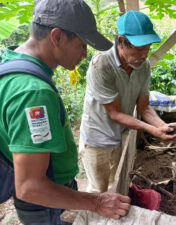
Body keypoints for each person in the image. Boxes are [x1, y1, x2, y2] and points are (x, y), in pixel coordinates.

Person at [0, 0, 131, 224]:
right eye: (82, 45)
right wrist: (97, 202)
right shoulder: (33, 94)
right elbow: (30, 187)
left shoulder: (10, 63)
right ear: (57, 37)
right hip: (47, 204)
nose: (85, 53)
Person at [79, 10, 176, 194]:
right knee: (98, 191)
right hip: (97, 137)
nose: (144, 54)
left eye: (147, 47)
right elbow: (115, 113)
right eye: (139, 48)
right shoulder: (102, 64)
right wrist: (152, 130)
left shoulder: (143, 66)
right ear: (121, 41)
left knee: (116, 182)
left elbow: (144, 107)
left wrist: (163, 127)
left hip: (120, 134)